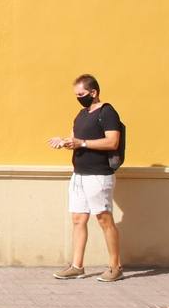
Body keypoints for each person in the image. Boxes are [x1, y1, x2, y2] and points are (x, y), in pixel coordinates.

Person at [47, 73, 124, 283]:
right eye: (76, 95)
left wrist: (82, 143)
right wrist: (64, 141)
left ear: (93, 92)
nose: (79, 98)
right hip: (79, 174)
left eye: (81, 94)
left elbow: (112, 142)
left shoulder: (107, 112)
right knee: (78, 219)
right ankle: (76, 266)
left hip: (99, 175)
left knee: (104, 219)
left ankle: (115, 267)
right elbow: (75, 138)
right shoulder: (81, 114)